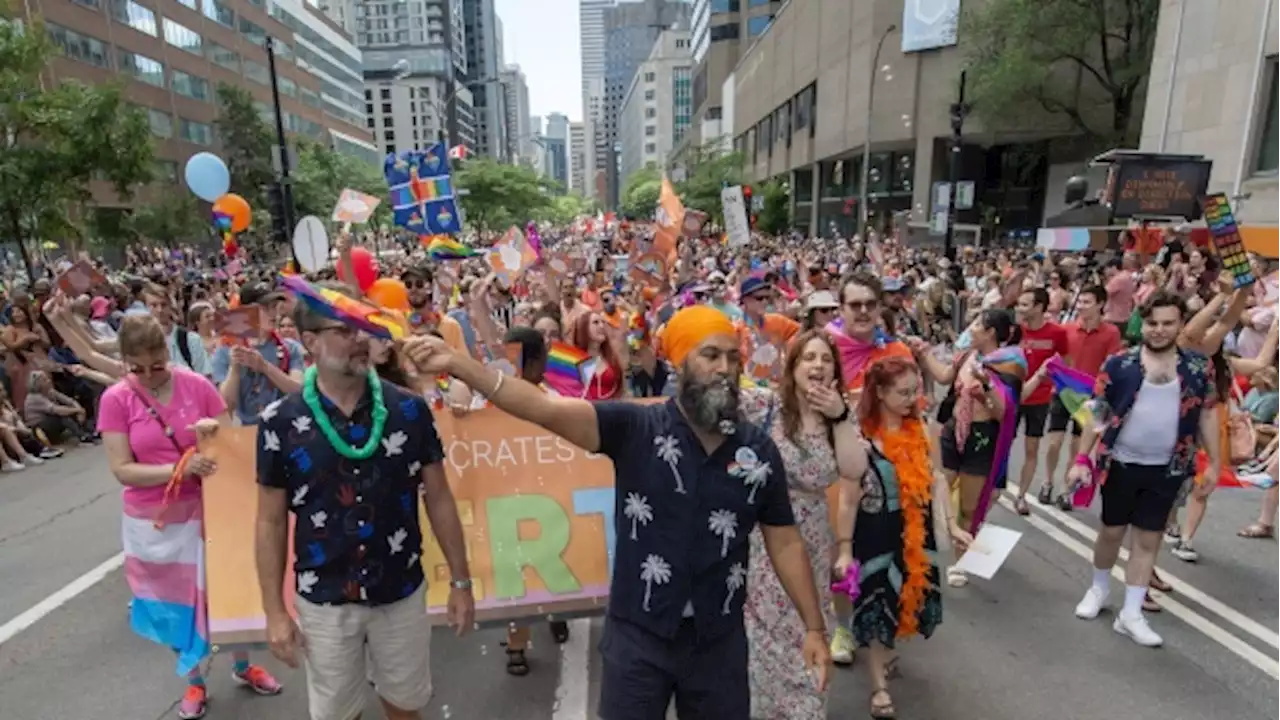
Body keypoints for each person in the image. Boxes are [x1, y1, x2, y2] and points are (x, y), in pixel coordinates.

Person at [402, 305, 831, 720]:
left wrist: (814, 627)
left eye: (732, 358)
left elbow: (785, 539)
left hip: (718, 641)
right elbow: (546, 409)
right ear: (679, 363)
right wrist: (460, 365)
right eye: (710, 355)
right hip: (638, 639)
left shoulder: (757, 449)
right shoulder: (636, 429)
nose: (724, 368)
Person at [255, 291, 475, 720]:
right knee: (339, 714)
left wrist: (462, 583)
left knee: (406, 706)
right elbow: (269, 522)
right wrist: (274, 612)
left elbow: (440, 497)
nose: (359, 339)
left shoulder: (408, 410)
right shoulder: (279, 422)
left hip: (400, 592)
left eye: (363, 327)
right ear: (309, 342)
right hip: (324, 600)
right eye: (343, 330)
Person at [99, 315, 280, 720]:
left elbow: (229, 439)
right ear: (125, 360)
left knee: (226, 590)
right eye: (137, 367)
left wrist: (211, 434)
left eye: (156, 364)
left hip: (211, 510)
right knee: (172, 603)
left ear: (167, 351)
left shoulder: (196, 386)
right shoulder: (116, 399)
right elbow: (122, 469)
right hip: (154, 523)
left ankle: (241, 665)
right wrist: (180, 469)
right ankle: (194, 681)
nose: (147, 375)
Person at [1067, 292, 1220, 648]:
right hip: (1121, 462)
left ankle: (1131, 613)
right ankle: (1099, 589)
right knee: (1110, 532)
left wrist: (1214, 461)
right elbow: (1098, 412)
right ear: (1142, 324)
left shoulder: (1198, 367)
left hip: (1169, 468)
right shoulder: (1119, 364)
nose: (1160, 330)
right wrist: (1081, 459)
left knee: (1149, 539)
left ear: (1181, 323)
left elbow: (1209, 413)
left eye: (1168, 323)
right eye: (1153, 323)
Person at [739, 329, 866, 719]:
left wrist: (840, 416)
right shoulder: (764, 407)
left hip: (811, 541)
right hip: (763, 543)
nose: (818, 365)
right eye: (809, 358)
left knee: (809, 633)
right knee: (764, 647)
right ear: (792, 367)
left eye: (826, 359)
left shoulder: (838, 416)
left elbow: (854, 468)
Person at [835, 356, 970, 719]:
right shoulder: (860, 436)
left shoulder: (923, 429)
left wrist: (953, 527)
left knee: (902, 606)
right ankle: (879, 687)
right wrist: (844, 548)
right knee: (876, 609)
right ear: (879, 392)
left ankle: (883, 658)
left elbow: (937, 481)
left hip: (915, 534)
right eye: (904, 392)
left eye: (916, 391)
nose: (913, 399)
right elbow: (847, 498)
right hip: (875, 534)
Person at [911, 310, 1025, 587]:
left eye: (976, 325)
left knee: (969, 507)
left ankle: (961, 562)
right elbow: (943, 377)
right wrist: (924, 353)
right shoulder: (966, 356)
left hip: (982, 438)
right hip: (953, 431)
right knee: (934, 490)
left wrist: (985, 389)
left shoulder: (1010, 365)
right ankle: (918, 552)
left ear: (990, 333)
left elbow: (1004, 413)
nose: (970, 329)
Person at [497, 326, 573, 675]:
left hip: (548, 492)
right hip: (509, 497)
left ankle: (557, 612)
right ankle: (517, 642)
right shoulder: (492, 397)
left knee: (552, 560)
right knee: (516, 570)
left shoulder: (552, 395)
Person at [1041, 285, 1123, 508]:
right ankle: (1047, 481)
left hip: (1093, 397)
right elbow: (1054, 357)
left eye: (1087, 302)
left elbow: (1112, 363)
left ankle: (1066, 490)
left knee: (1079, 446)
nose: (1081, 306)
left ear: (1100, 305)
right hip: (1064, 392)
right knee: (1054, 443)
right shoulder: (1065, 329)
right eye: (1080, 301)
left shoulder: (1111, 333)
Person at [1011, 288, 1070, 515]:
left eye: (1025, 305)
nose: (1020, 309)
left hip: (1040, 399)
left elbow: (1065, 362)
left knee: (1032, 448)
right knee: (1002, 445)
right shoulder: (1015, 331)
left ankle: (1021, 495)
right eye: (1019, 304)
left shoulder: (1057, 333)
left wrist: (1058, 383)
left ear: (1039, 307)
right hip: (1013, 395)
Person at [211, 282, 304, 424]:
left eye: (274, 307)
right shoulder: (225, 351)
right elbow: (226, 407)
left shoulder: (290, 348)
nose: (273, 314)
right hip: (249, 433)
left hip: (287, 427)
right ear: (245, 312)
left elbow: (298, 391)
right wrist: (234, 368)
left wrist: (264, 367)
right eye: (264, 308)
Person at [144, 284, 210, 378]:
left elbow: (205, 378)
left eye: (163, 305)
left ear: (170, 306)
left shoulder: (190, 339)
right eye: (153, 305)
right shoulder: (140, 342)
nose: (159, 310)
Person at [24, 369, 96, 444]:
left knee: (71, 409)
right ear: (37, 384)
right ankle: (82, 435)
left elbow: (69, 401)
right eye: (45, 380)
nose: (49, 381)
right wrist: (77, 410)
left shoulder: (50, 391)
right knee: (62, 415)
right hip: (40, 427)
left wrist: (79, 410)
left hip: (49, 421)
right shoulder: (35, 397)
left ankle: (89, 429)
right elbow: (56, 410)